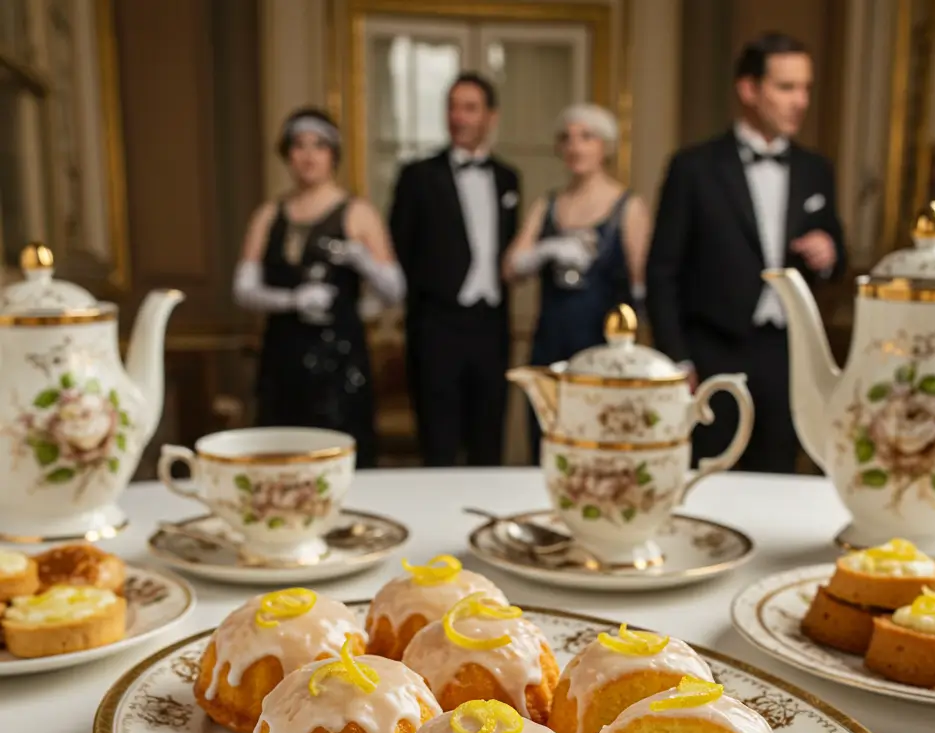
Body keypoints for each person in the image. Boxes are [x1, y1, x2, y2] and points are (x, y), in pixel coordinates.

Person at [646, 32, 847, 474]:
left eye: (806, 88)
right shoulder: (694, 167)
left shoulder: (817, 170)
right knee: (706, 478)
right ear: (749, 89)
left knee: (779, 477)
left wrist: (829, 252)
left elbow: (839, 257)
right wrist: (678, 360)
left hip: (789, 356)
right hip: (712, 354)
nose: (801, 101)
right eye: (787, 87)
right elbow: (661, 272)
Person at [233, 107, 405, 468]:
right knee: (280, 455)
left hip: (340, 360)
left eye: (319, 145)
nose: (308, 155)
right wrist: (291, 300)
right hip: (283, 354)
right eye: (299, 145)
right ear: (287, 154)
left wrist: (363, 261)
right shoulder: (268, 215)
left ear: (333, 155)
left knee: (341, 454)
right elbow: (243, 288)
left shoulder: (358, 213)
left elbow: (395, 290)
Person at [504, 103, 650, 460]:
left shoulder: (628, 207)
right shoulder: (548, 205)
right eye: (567, 138)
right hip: (550, 342)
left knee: (599, 447)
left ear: (606, 146)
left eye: (587, 137)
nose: (576, 146)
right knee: (547, 440)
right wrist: (545, 250)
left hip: (602, 346)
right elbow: (509, 270)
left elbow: (643, 287)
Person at [389, 72, 520, 467]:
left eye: (470, 108)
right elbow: (398, 253)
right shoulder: (417, 176)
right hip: (436, 327)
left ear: (490, 116)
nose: (458, 117)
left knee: (488, 442)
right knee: (439, 444)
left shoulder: (507, 178)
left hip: (492, 326)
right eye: (452, 107)